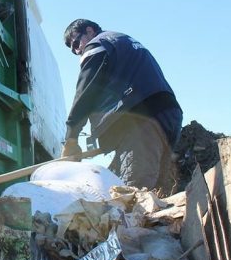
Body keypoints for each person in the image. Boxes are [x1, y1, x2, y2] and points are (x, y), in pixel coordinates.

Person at [61, 19, 183, 193]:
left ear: (89, 31)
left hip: (140, 119)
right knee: (156, 193)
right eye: (73, 51)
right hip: (167, 114)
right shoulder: (120, 42)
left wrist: (71, 137)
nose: (77, 50)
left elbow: (86, 92)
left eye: (76, 43)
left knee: (134, 194)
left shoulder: (99, 45)